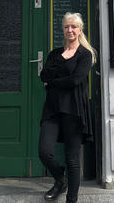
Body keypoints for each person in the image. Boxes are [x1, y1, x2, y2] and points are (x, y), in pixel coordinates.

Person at [38, 12, 96, 203]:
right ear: (63, 29)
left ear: (80, 30)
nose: (70, 30)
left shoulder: (85, 55)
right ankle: (60, 180)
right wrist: (62, 59)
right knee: (44, 152)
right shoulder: (55, 54)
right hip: (53, 109)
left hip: (74, 110)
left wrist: (53, 83)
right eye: (66, 27)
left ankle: (72, 199)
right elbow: (44, 75)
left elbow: (75, 80)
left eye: (74, 27)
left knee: (72, 159)